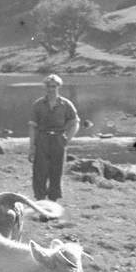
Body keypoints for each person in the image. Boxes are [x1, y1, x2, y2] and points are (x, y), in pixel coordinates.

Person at [28, 73, 79, 202]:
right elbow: (32, 127)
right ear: (45, 87)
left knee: (56, 170)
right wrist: (32, 146)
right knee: (40, 171)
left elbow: (75, 122)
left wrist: (67, 139)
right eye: (49, 86)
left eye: (54, 86)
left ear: (58, 87)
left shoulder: (66, 104)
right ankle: (40, 200)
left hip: (58, 139)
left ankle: (53, 200)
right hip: (42, 139)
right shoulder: (38, 104)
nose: (51, 89)